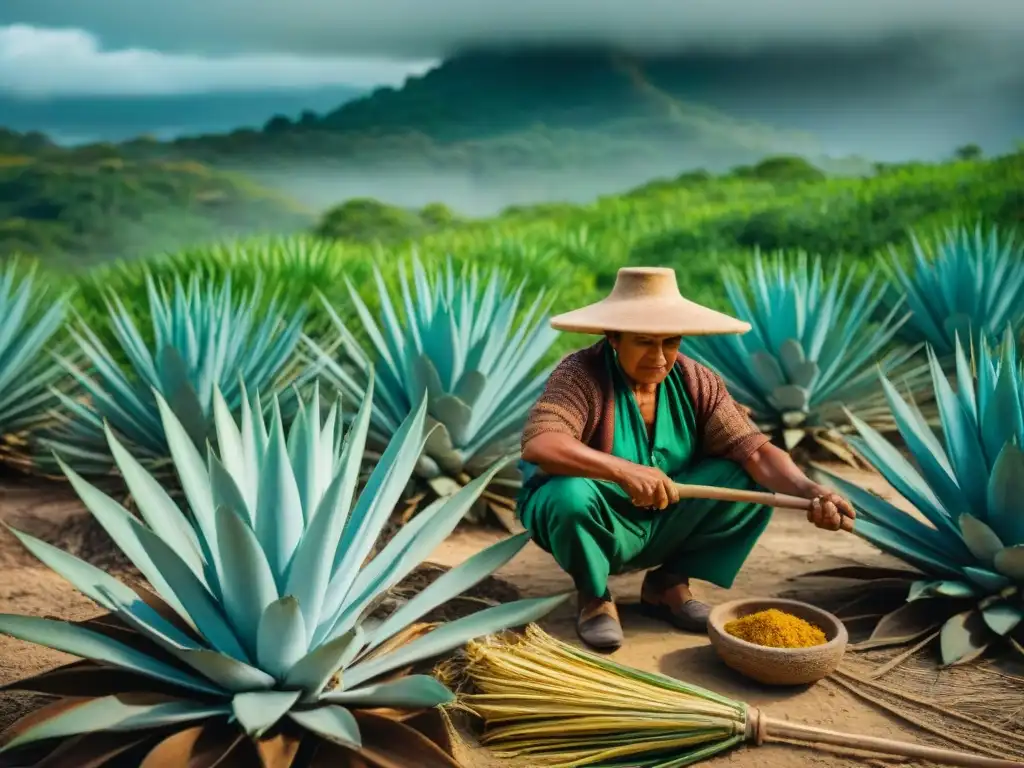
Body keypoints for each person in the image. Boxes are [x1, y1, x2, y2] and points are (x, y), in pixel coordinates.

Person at [517, 267, 855, 651]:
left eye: (670, 342)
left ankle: (667, 586)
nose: (659, 358)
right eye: (644, 342)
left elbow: (755, 449)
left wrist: (813, 491)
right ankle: (595, 599)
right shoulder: (580, 374)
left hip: (668, 511)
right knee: (569, 497)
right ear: (613, 337)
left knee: (747, 475)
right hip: (598, 513)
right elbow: (541, 443)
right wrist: (624, 470)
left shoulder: (696, 380)